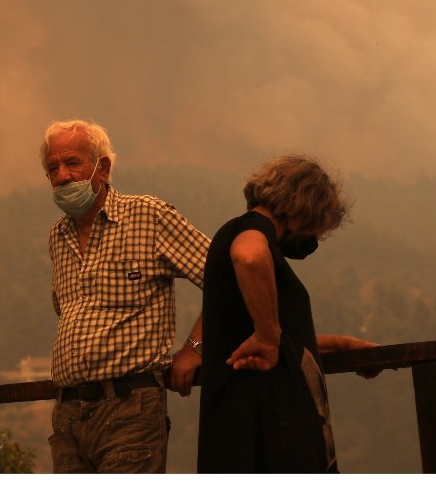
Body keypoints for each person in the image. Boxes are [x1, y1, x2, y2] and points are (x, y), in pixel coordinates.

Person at [41, 119, 208, 473]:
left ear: (102, 167)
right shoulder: (58, 236)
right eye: (52, 168)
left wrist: (194, 348)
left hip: (129, 409)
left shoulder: (147, 216)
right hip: (68, 417)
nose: (62, 176)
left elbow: (227, 281)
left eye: (72, 162)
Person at [198, 154, 377, 473]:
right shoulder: (254, 229)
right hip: (266, 427)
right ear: (305, 207)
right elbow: (249, 257)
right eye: (319, 226)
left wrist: (342, 344)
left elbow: (282, 338)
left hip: (258, 426)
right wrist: (267, 338)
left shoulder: (245, 233)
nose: (315, 238)